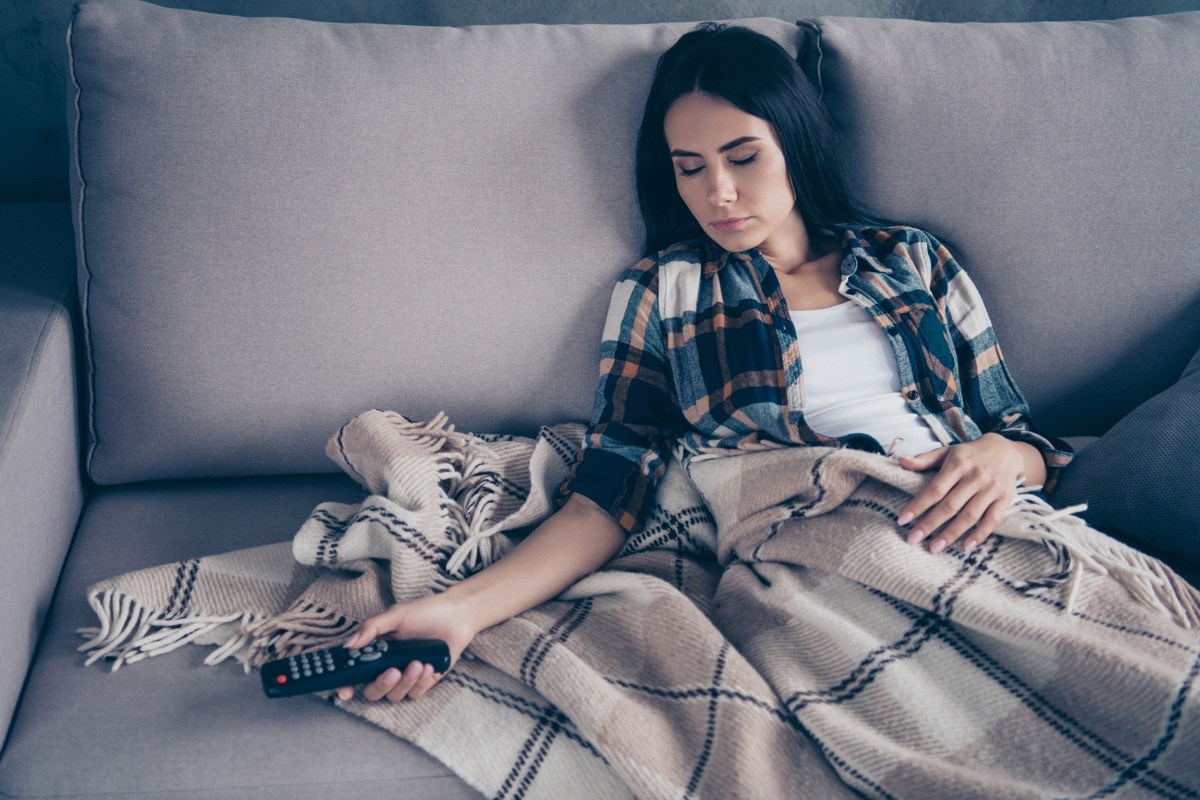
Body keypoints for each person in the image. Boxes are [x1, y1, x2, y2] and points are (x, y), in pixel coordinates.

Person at [336, 23, 1070, 704]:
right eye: (689, 169)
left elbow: (1027, 441)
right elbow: (606, 494)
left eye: (743, 158)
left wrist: (1001, 457)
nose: (716, 193)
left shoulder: (913, 259)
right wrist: (458, 612)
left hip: (974, 526)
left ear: (797, 142)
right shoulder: (665, 289)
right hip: (812, 549)